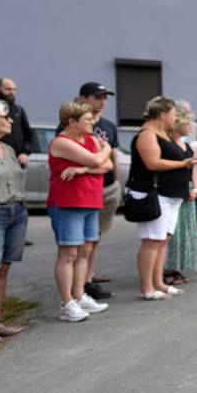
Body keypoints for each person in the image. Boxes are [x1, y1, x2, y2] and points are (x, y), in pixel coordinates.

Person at [46, 101, 112, 321]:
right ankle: (67, 303)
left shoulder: (91, 139)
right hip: (67, 202)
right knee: (69, 254)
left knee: (84, 251)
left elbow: (108, 166)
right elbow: (98, 160)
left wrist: (83, 169)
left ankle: (79, 295)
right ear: (71, 121)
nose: (92, 123)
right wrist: (107, 149)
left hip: (90, 200)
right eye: (87, 120)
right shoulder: (61, 142)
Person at [129, 97, 197, 299]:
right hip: (155, 194)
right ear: (163, 114)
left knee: (162, 241)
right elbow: (153, 163)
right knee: (152, 241)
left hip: (171, 195)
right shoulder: (147, 135)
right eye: (174, 114)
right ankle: (146, 288)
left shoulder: (163, 134)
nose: (175, 118)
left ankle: (158, 282)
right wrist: (183, 164)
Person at [0, 101, 29, 342]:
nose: (10, 121)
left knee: (2, 268)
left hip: (16, 211)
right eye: (4, 117)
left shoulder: (7, 149)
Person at [76, 82, 120, 300]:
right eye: (97, 97)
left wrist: (117, 181)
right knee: (81, 241)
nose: (102, 101)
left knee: (95, 237)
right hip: (86, 189)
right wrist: (98, 165)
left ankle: (88, 278)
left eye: (105, 97)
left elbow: (113, 157)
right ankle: (79, 284)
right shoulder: (73, 125)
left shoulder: (109, 125)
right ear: (83, 98)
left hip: (109, 187)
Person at [162, 107, 197, 283]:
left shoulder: (185, 145)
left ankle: (175, 266)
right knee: (172, 232)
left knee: (183, 232)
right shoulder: (168, 144)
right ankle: (165, 269)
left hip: (187, 191)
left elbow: (192, 168)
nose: (191, 127)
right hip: (174, 191)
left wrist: (195, 188)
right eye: (187, 123)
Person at [0, 78, 33, 168]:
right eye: (8, 89)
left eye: (14, 89)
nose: (12, 92)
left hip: (17, 163)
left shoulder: (19, 110)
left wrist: (25, 153)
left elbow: (29, 136)